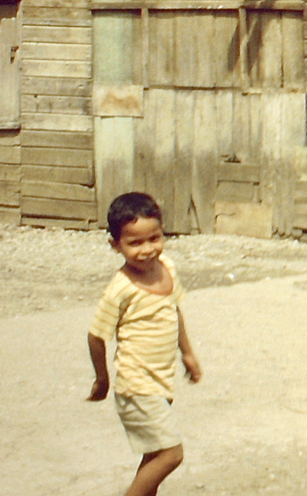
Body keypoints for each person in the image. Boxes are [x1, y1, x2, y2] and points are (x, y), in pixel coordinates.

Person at [87, 192, 203, 496]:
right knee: (171, 454)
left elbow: (174, 310)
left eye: (154, 238)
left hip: (160, 380)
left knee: (153, 455)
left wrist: (187, 353)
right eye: (134, 243)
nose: (147, 250)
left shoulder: (166, 267)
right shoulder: (120, 288)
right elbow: (96, 335)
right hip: (137, 386)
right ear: (115, 245)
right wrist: (102, 379)